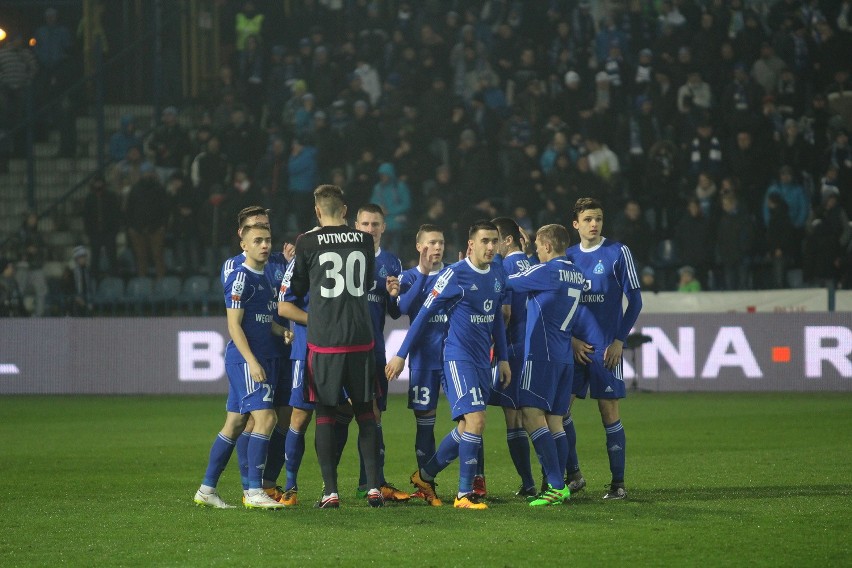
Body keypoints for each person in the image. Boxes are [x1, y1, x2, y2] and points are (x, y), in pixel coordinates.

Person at [387, 220, 511, 510]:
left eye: (494, 241)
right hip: (458, 358)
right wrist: (401, 354)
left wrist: (502, 358)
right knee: (477, 421)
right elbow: (422, 315)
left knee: (468, 427)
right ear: (471, 244)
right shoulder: (455, 275)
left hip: (484, 360)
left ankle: (425, 475)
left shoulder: (497, 272)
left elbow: (496, 320)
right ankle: (463, 494)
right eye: (485, 241)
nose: (491, 247)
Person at [281, 184, 383, 509]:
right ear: (345, 209)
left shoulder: (307, 242)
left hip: (325, 343)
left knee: (324, 413)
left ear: (317, 211)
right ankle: (373, 488)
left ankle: (330, 491)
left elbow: (294, 290)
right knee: (366, 411)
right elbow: (367, 283)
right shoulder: (364, 240)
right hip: (360, 338)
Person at [194, 222, 290, 510]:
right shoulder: (240, 278)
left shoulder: (267, 278)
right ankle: (253, 491)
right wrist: (251, 362)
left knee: (235, 423)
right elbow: (234, 326)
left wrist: (281, 331)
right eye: (257, 240)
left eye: (268, 240)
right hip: (246, 359)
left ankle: (207, 489)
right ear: (243, 245)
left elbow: (262, 320)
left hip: (260, 356)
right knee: (267, 419)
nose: (264, 245)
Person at [565, 197, 643, 500]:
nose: (594, 224)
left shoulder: (618, 253)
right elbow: (560, 305)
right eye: (587, 219)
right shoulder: (568, 257)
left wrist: (619, 340)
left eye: (598, 218)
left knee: (608, 412)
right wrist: (570, 340)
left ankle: (618, 484)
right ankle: (574, 475)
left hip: (605, 350)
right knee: (559, 412)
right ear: (576, 224)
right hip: (573, 348)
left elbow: (635, 301)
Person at [506, 224, 585, 506]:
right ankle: (560, 485)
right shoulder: (576, 272)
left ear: (548, 246)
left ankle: (554, 484)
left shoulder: (547, 271)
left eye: (539, 246)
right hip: (564, 356)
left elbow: (508, 281)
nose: (537, 251)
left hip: (541, 354)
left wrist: (517, 257)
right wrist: (530, 258)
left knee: (530, 414)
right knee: (555, 421)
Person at [221, 206, 294, 504]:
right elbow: (238, 317)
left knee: (285, 418)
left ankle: (267, 481)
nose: (264, 239)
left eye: (266, 229)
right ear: (243, 235)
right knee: (255, 419)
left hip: (282, 348)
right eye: (256, 229)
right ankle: (249, 487)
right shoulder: (234, 267)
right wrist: (250, 358)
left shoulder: (278, 261)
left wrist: (291, 265)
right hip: (256, 353)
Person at [353, 204, 408, 502]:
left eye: (375, 224)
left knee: (374, 415)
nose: (370, 229)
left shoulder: (391, 262)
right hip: (344, 349)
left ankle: (371, 481)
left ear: (383, 228)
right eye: (364, 224)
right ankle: (329, 486)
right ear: (355, 226)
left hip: (374, 348)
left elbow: (396, 313)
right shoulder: (345, 259)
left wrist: (394, 296)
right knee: (336, 415)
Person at [395, 224, 448, 505]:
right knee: (425, 425)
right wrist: (424, 274)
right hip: (423, 362)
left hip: (453, 359)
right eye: (430, 243)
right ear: (419, 247)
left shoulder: (454, 274)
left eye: (440, 242)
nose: (436, 248)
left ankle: (476, 482)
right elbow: (402, 309)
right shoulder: (409, 277)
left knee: (471, 422)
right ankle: (427, 485)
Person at [486, 217, 536, 498]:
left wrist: (492, 341)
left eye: (495, 240)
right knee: (543, 416)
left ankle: (529, 482)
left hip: (514, 349)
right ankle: (562, 475)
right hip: (538, 349)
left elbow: (505, 313)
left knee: (515, 419)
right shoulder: (533, 263)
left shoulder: (504, 267)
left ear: (507, 240)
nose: (492, 246)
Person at [61, 246, 94, 316]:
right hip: (74, 300)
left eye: (84, 257)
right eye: (81, 257)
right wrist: (76, 297)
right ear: (76, 259)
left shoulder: (87, 271)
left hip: (86, 300)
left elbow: (89, 287)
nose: (84, 259)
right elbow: (66, 287)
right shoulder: (70, 271)